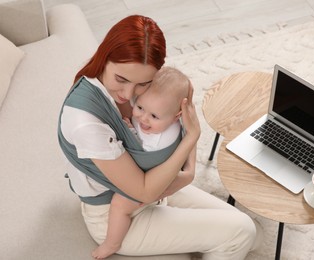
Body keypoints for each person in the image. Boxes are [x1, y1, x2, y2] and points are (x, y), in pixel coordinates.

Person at [58, 14, 256, 260]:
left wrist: (184, 155)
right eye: (121, 79)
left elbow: (178, 114)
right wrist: (191, 145)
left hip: (148, 186)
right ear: (104, 56)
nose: (129, 94)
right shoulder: (86, 123)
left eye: (143, 83)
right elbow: (145, 191)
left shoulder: (145, 85)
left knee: (243, 224)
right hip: (113, 214)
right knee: (241, 232)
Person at [92, 66, 192, 259]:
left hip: (151, 180)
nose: (143, 118)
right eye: (139, 107)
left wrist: (131, 131)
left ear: (177, 116)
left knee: (120, 205)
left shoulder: (162, 140)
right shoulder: (161, 113)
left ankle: (112, 243)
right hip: (157, 177)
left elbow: (140, 156)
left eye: (154, 116)